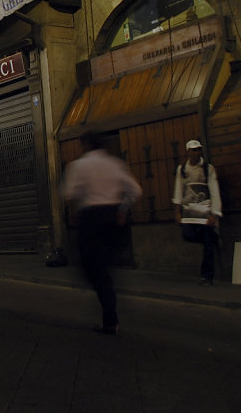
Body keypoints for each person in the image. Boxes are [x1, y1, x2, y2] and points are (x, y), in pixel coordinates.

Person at [62, 132, 142, 335]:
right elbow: (135, 190)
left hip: (91, 218)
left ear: (86, 145)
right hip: (113, 217)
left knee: (92, 267)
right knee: (104, 265)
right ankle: (109, 304)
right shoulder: (115, 164)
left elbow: (69, 192)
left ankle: (110, 316)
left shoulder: (79, 165)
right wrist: (123, 209)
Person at [173, 139, 222, 285]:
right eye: (193, 150)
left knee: (207, 246)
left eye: (198, 149)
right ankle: (212, 239)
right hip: (189, 212)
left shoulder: (208, 168)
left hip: (205, 211)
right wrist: (177, 211)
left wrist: (214, 213)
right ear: (188, 152)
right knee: (188, 234)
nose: (196, 152)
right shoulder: (182, 169)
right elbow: (178, 189)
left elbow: (214, 190)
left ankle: (207, 276)